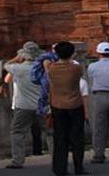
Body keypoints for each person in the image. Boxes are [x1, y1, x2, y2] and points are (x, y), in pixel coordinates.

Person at [41, 41, 90, 176]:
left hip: (57, 105)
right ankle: (79, 167)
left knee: (60, 138)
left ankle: (60, 168)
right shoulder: (76, 68)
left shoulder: (51, 68)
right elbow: (77, 68)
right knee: (77, 139)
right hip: (75, 105)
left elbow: (45, 62)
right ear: (72, 53)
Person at [3, 42, 45, 169]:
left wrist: (17, 58)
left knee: (17, 133)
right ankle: (56, 157)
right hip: (42, 105)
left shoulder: (18, 68)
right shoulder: (43, 68)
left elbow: (6, 65)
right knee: (50, 132)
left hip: (23, 106)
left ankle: (17, 160)